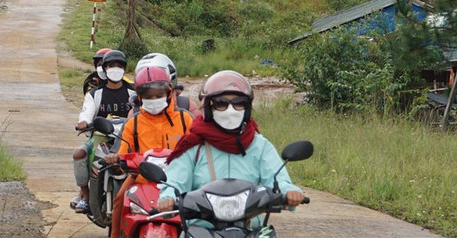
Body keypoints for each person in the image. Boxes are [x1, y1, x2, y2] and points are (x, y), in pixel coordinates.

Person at [156, 70, 306, 217]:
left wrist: (288, 191)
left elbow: (277, 178)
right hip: (202, 228)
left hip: (250, 228)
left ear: (247, 109)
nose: (230, 110)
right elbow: (175, 180)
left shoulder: (260, 145)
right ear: (208, 108)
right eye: (221, 103)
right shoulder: (194, 144)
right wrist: (168, 197)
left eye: (239, 103)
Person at [107, 65, 193, 238]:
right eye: (148, 97)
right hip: (140, 178)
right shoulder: (134, 122)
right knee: (119, 199)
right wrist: (116, 158)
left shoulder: (184, 118)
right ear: (140, 97)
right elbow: (123, 151)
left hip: (179, 179)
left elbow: (196, 147)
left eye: (159, 96)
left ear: (169, 93)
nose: (154, 100)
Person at [71, 50, 133, 214]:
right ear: (104, 69)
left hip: (126, 137)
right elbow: (86, 112)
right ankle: (85, 195)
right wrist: (83, 122)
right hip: (101, 137)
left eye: (120, 66)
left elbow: (140, 111)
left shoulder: (133, 92)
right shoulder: (95, 93)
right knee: (79, 154)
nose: (116, 68)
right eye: (112, 65)